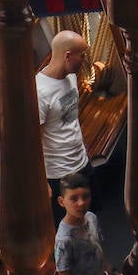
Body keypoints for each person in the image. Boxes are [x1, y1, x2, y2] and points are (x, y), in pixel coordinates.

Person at [37, 29, 96, 225]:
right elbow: (34, 141)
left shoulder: (70, 77)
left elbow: (71, 120)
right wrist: (41, 182)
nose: (85, 60)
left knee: (90, 221)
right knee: (68, 231)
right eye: (82, 55)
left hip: (81, 163)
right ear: (68, 56)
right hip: (59, 174)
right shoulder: (39, 92)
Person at [54, 172, 125, 275]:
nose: (81, 203)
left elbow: (97, 245)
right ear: (62, 202)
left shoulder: (92, 217)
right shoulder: (64, 240)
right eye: (74, 199)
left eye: (85, 196)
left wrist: (107, 268)